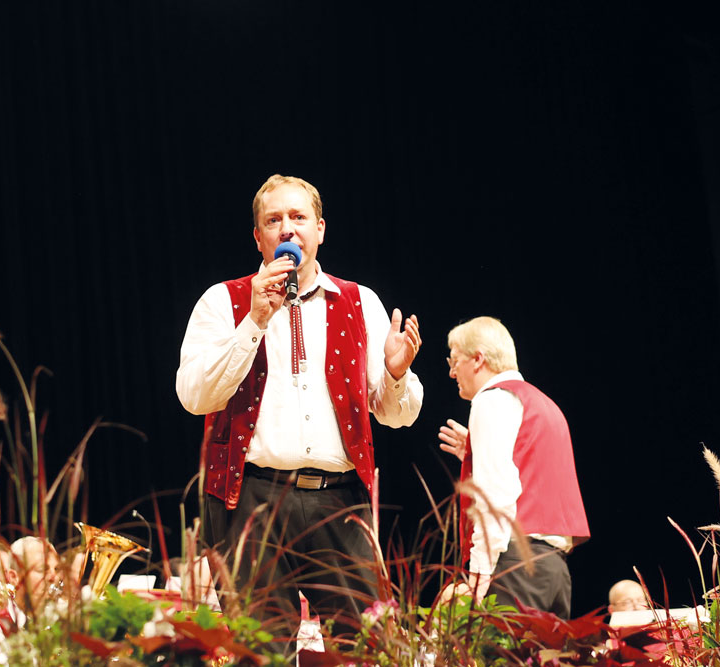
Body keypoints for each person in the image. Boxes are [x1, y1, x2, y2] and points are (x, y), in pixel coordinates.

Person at [177, 174, 423, 626]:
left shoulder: (359, 301)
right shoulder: (222, 301)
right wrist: (254, 321)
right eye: (274, 220)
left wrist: (394, 373)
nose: (287, 228)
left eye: (298, 217)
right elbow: (194, 396)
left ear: (320, 229)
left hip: (340, 501)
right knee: (262, 648)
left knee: (365, 643)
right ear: (258, 237)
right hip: (249, 500)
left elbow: (397, 417)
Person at [438, 316, 589, 618]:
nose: (452, 372)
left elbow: (495, 494)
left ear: (478, 359)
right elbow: (531, 471)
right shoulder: (544, 404)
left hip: (516, 566)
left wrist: (479, 576)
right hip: (554, 570)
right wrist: (477, 453)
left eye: (455, 360)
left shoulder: (492, 400)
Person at [10, 536, 61, 616]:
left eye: (56, 569)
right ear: (13, 577)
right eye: (42, 569)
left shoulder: (60, 619)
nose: (54, 578)